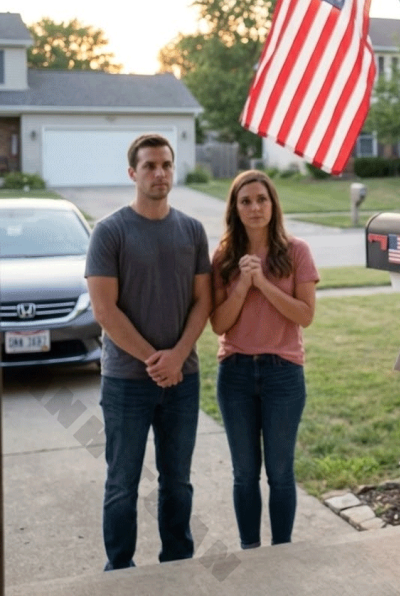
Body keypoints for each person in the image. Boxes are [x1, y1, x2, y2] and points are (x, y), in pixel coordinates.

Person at [85, 133, 212, 570]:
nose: (159, 173)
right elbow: (105, 310)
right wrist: (155, 360)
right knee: (122, 482)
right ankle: (119, 570)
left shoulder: (192, 230)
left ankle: (177, 563)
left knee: (178, 483)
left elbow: (204, 301)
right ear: (132, 174)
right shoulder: (110, 231)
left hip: (183, 379)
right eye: (150, 166)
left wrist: (177, 356)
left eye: (166, 165)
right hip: (125, 382)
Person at [210, 170, 319, 549]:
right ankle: (250, 549)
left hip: (283, 375)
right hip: (235, 374)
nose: (255, 208)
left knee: (280, 472)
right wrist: (242, 285)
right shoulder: (224, 256)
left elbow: (305, 315)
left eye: (262, 199)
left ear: (273, 205)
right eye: (246, 201)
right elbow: (219, 324)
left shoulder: (296, 251)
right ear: (235, 209)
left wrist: (263, 284)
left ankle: (281, 551)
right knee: (243, 474)